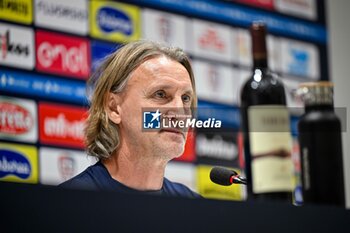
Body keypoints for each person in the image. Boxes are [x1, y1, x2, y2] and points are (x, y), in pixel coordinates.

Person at [60, 40, 200, 198]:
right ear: (114, 108)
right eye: (160, 94)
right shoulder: (67, 204)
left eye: (186, 98)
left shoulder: (197, 208)